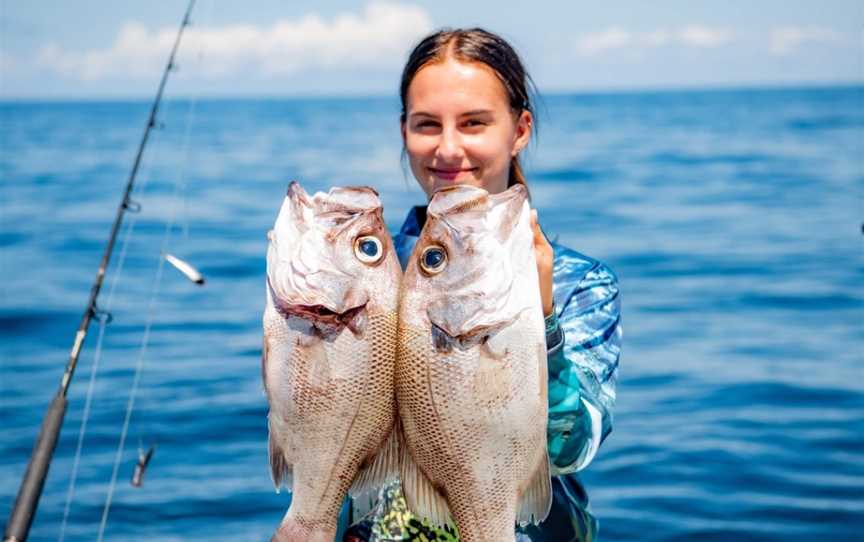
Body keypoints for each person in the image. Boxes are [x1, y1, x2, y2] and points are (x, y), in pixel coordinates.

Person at [344, 28, 622, 542]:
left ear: (519, 130)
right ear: (404, 130)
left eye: (474, 123)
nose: (449, 149)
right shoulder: (368, 274)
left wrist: (544, 318)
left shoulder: (579, 283)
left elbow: (570, 451)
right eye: (427, 125)